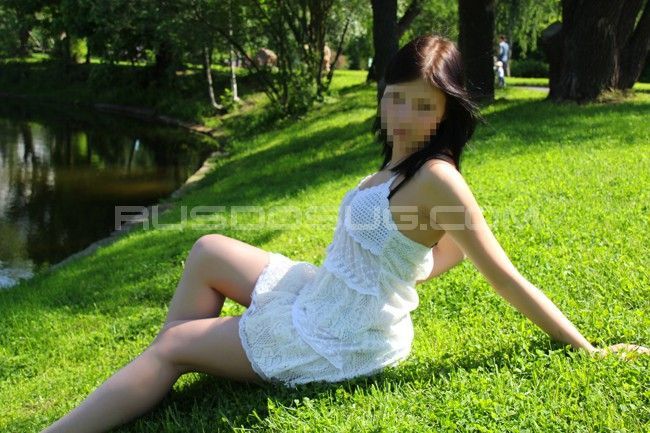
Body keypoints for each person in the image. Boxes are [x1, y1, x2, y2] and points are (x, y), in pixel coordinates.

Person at [41, 34, 649, 433]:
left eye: (424, 106)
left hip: (337, 336)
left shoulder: (438, 178)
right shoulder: (403, 163)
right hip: (324, 293)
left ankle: (110, 398)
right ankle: (162, 373)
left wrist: (588, 350)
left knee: (174, 343)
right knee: (207, 250)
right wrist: (403, 273)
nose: (404, 117)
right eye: (396, 100)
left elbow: (503, 275)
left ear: (447, 110)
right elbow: (438, 251)